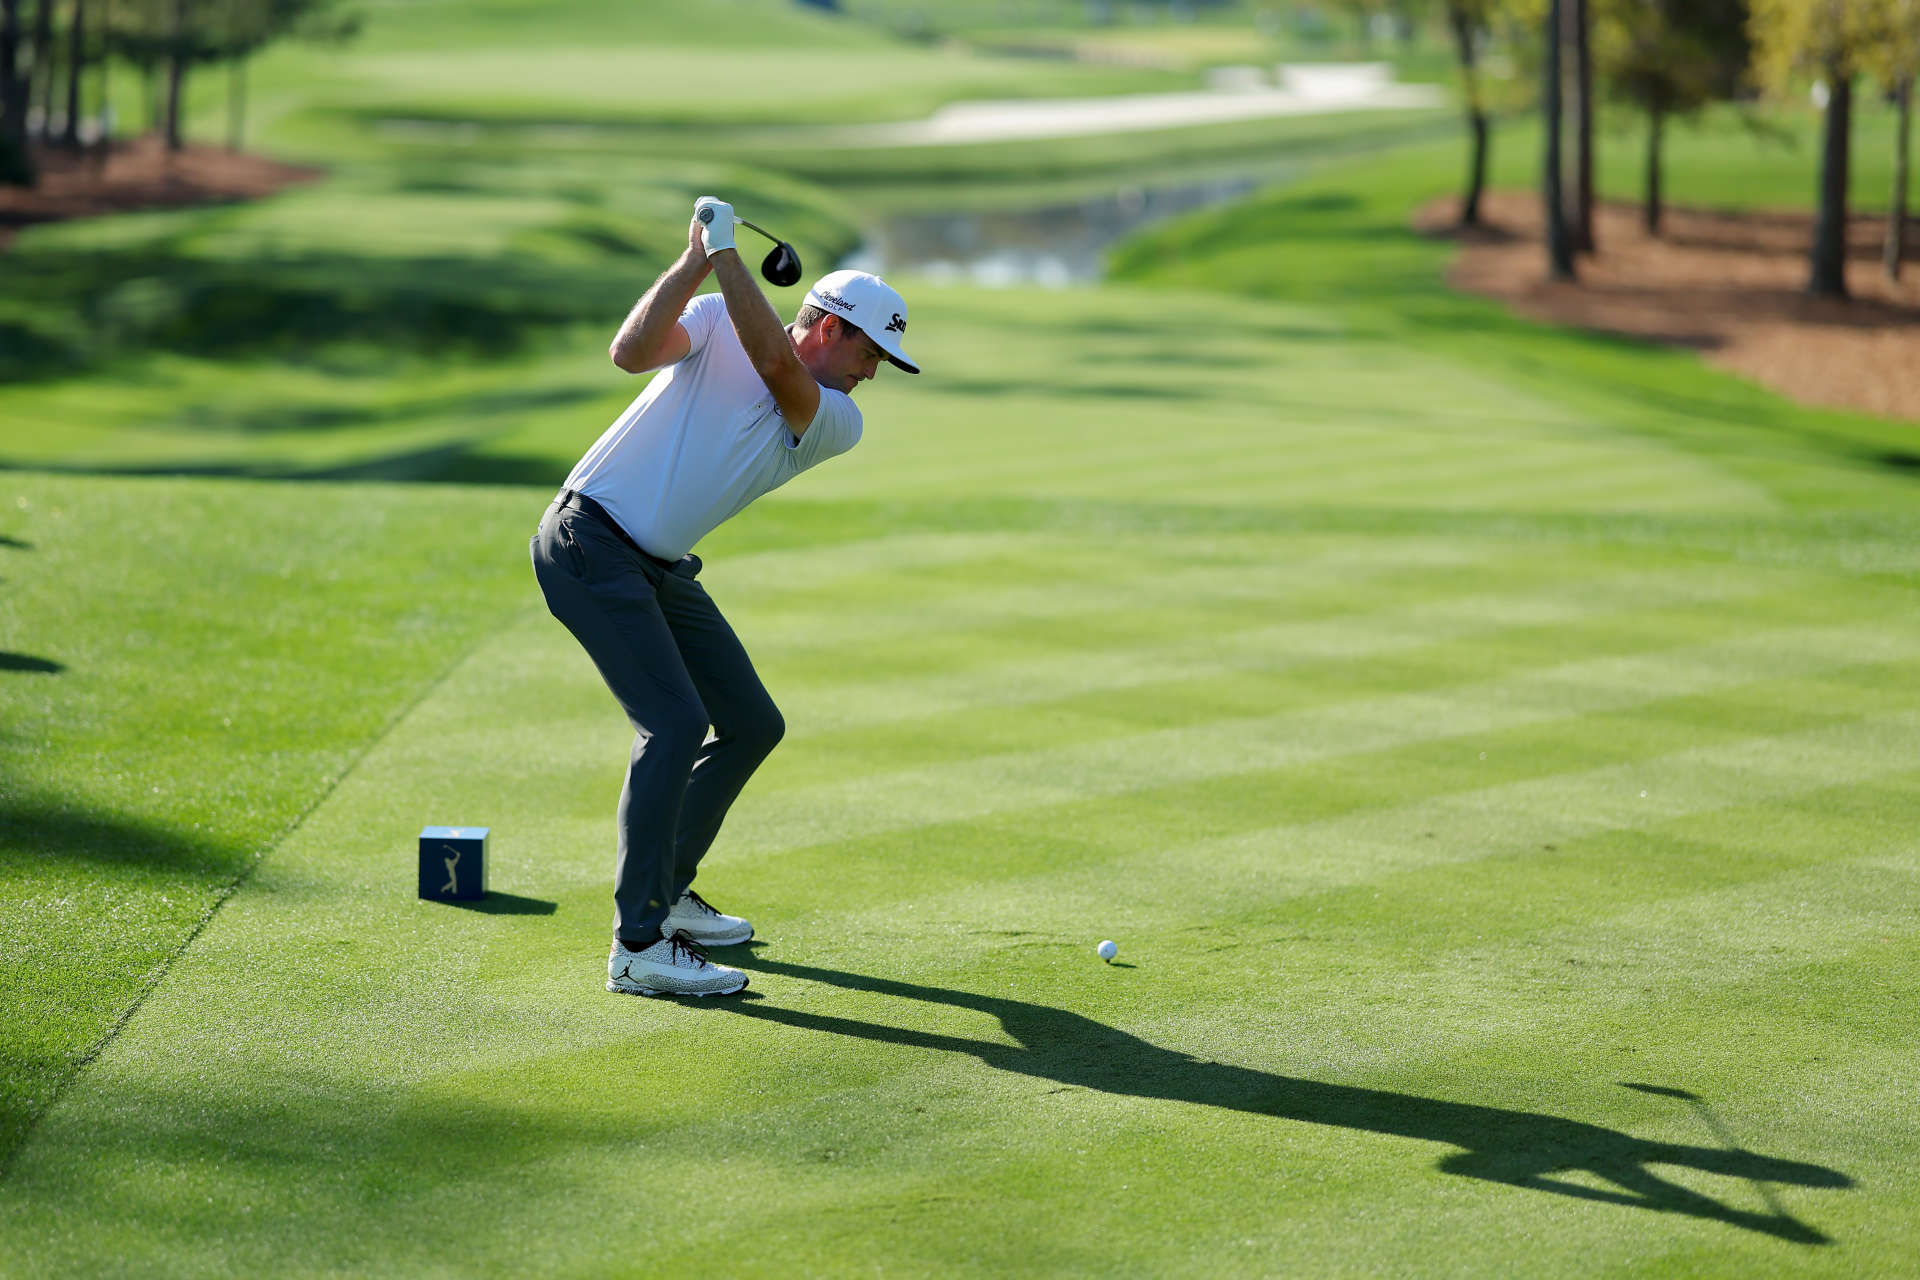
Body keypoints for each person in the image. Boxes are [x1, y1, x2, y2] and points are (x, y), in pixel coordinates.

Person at [531, 197, 919, 998]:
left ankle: (667, 888)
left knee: (750, 723)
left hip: (658, 566)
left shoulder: (835, 417)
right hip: (587, 542)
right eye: (871, 349)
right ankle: (638, 944)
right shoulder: (711, 315)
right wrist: (696, 260)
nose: (872, 371)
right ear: (830, 325)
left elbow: (776, 368)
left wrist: (730, 250)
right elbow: (629, 352)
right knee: (673, 723)